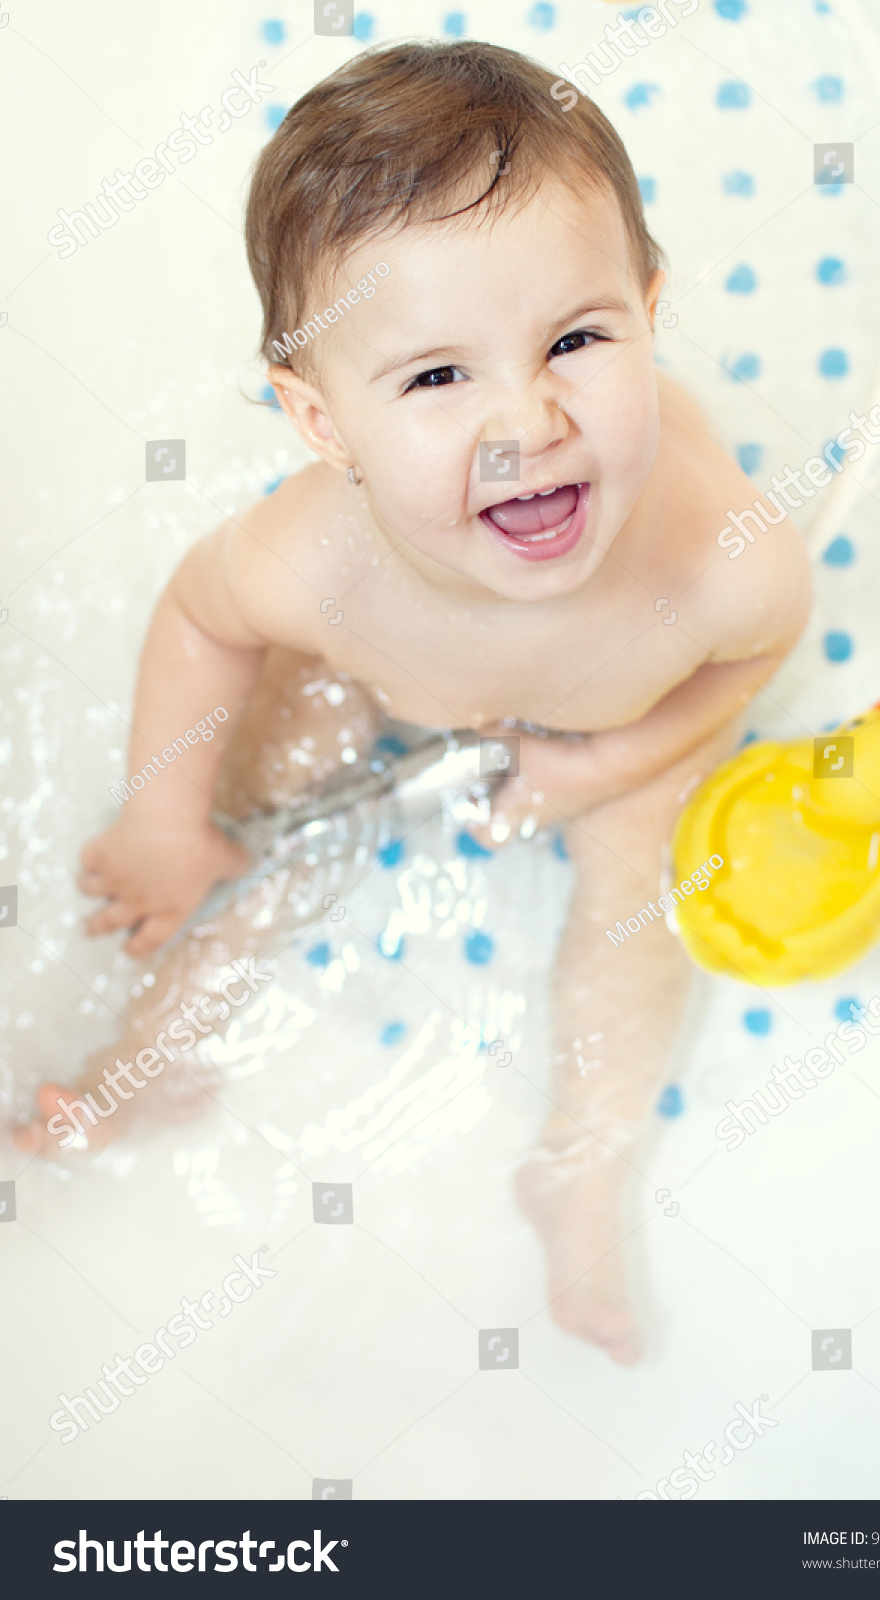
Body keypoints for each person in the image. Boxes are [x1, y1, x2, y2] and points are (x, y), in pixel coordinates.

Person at [18, 41, 810, 1364]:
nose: (529, 421)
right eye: (438, 377)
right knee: (258, 805)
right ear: (322, 422)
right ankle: (148, 1061)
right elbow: (201, 618)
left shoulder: (723, 557)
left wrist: (609, 759)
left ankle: (583, 1166)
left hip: (610, 715)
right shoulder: (312, 564)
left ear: (650, 309)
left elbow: (748, 665)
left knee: (643, 901)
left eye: (576, 338)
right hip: (373, 676)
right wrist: (165, 818)